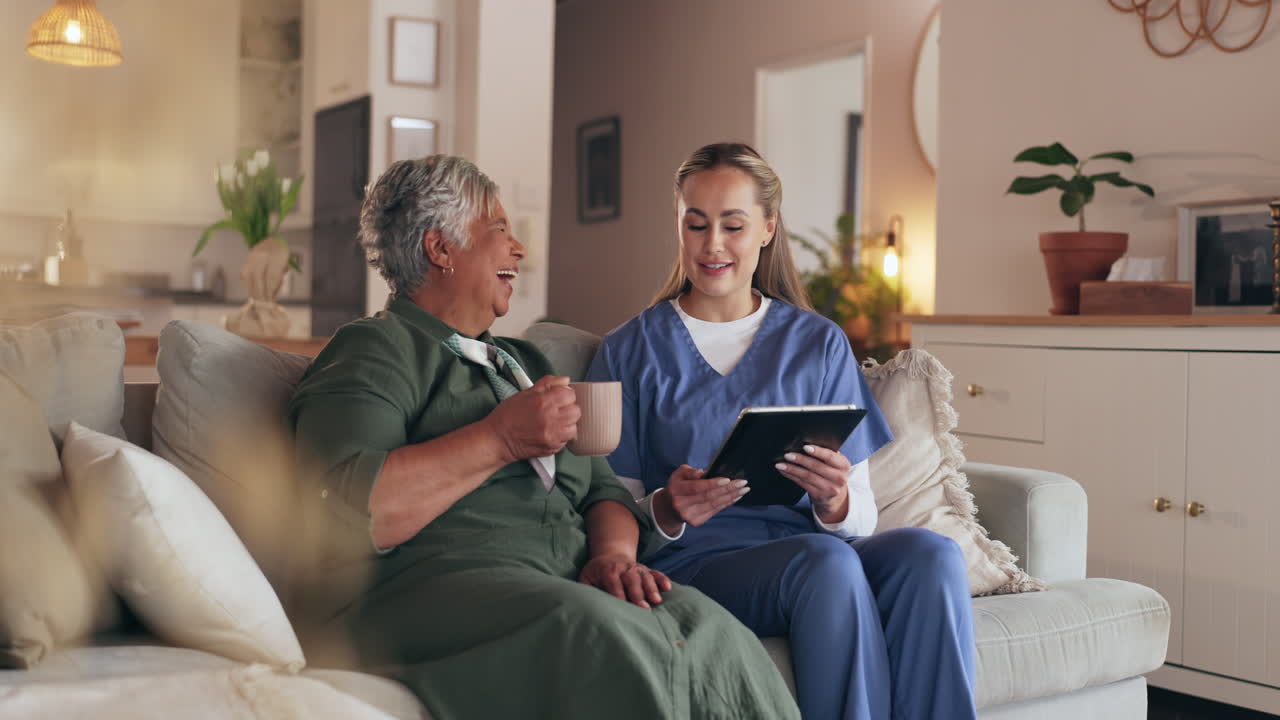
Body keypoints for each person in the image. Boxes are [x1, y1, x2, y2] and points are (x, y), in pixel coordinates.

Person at [286, 154, 800, 720]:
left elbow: (602, 492)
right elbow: (350, 509)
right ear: (440, 250)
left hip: (560, 584)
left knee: (714, 633)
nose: (518, 249)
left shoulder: (521, 362)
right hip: (431, 590)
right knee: (599, 633)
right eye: (499, 230)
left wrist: (612, 559)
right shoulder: (376, 349)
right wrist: (498, 440)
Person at [585, 142, 978, 720]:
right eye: (696, 224)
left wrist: (836, 498)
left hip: (814, 554)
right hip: (697, 565)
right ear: (679, 225)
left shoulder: (819, 343)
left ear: (767, 229)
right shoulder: (628, 351)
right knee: (827, 564)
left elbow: (860, 514)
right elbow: (609, 501)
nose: (712, 244)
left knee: (932, 555)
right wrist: (670, 507)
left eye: (732, 226)